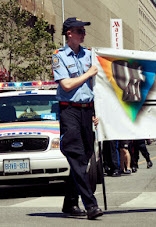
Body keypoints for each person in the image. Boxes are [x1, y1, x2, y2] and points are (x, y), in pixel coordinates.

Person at [52, 17, 103, 220]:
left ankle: (70, 203)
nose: (83, 33)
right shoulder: (59, 57)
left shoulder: (90, 55)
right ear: (69, 34)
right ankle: (91, 205)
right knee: (76, 156)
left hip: (87, 111)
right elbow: (66, 85)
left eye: (83, 30)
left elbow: (100, 84)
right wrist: (89, 73)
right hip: (69, 110)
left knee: (84, 157)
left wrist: (98, 111)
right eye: (79, 30)